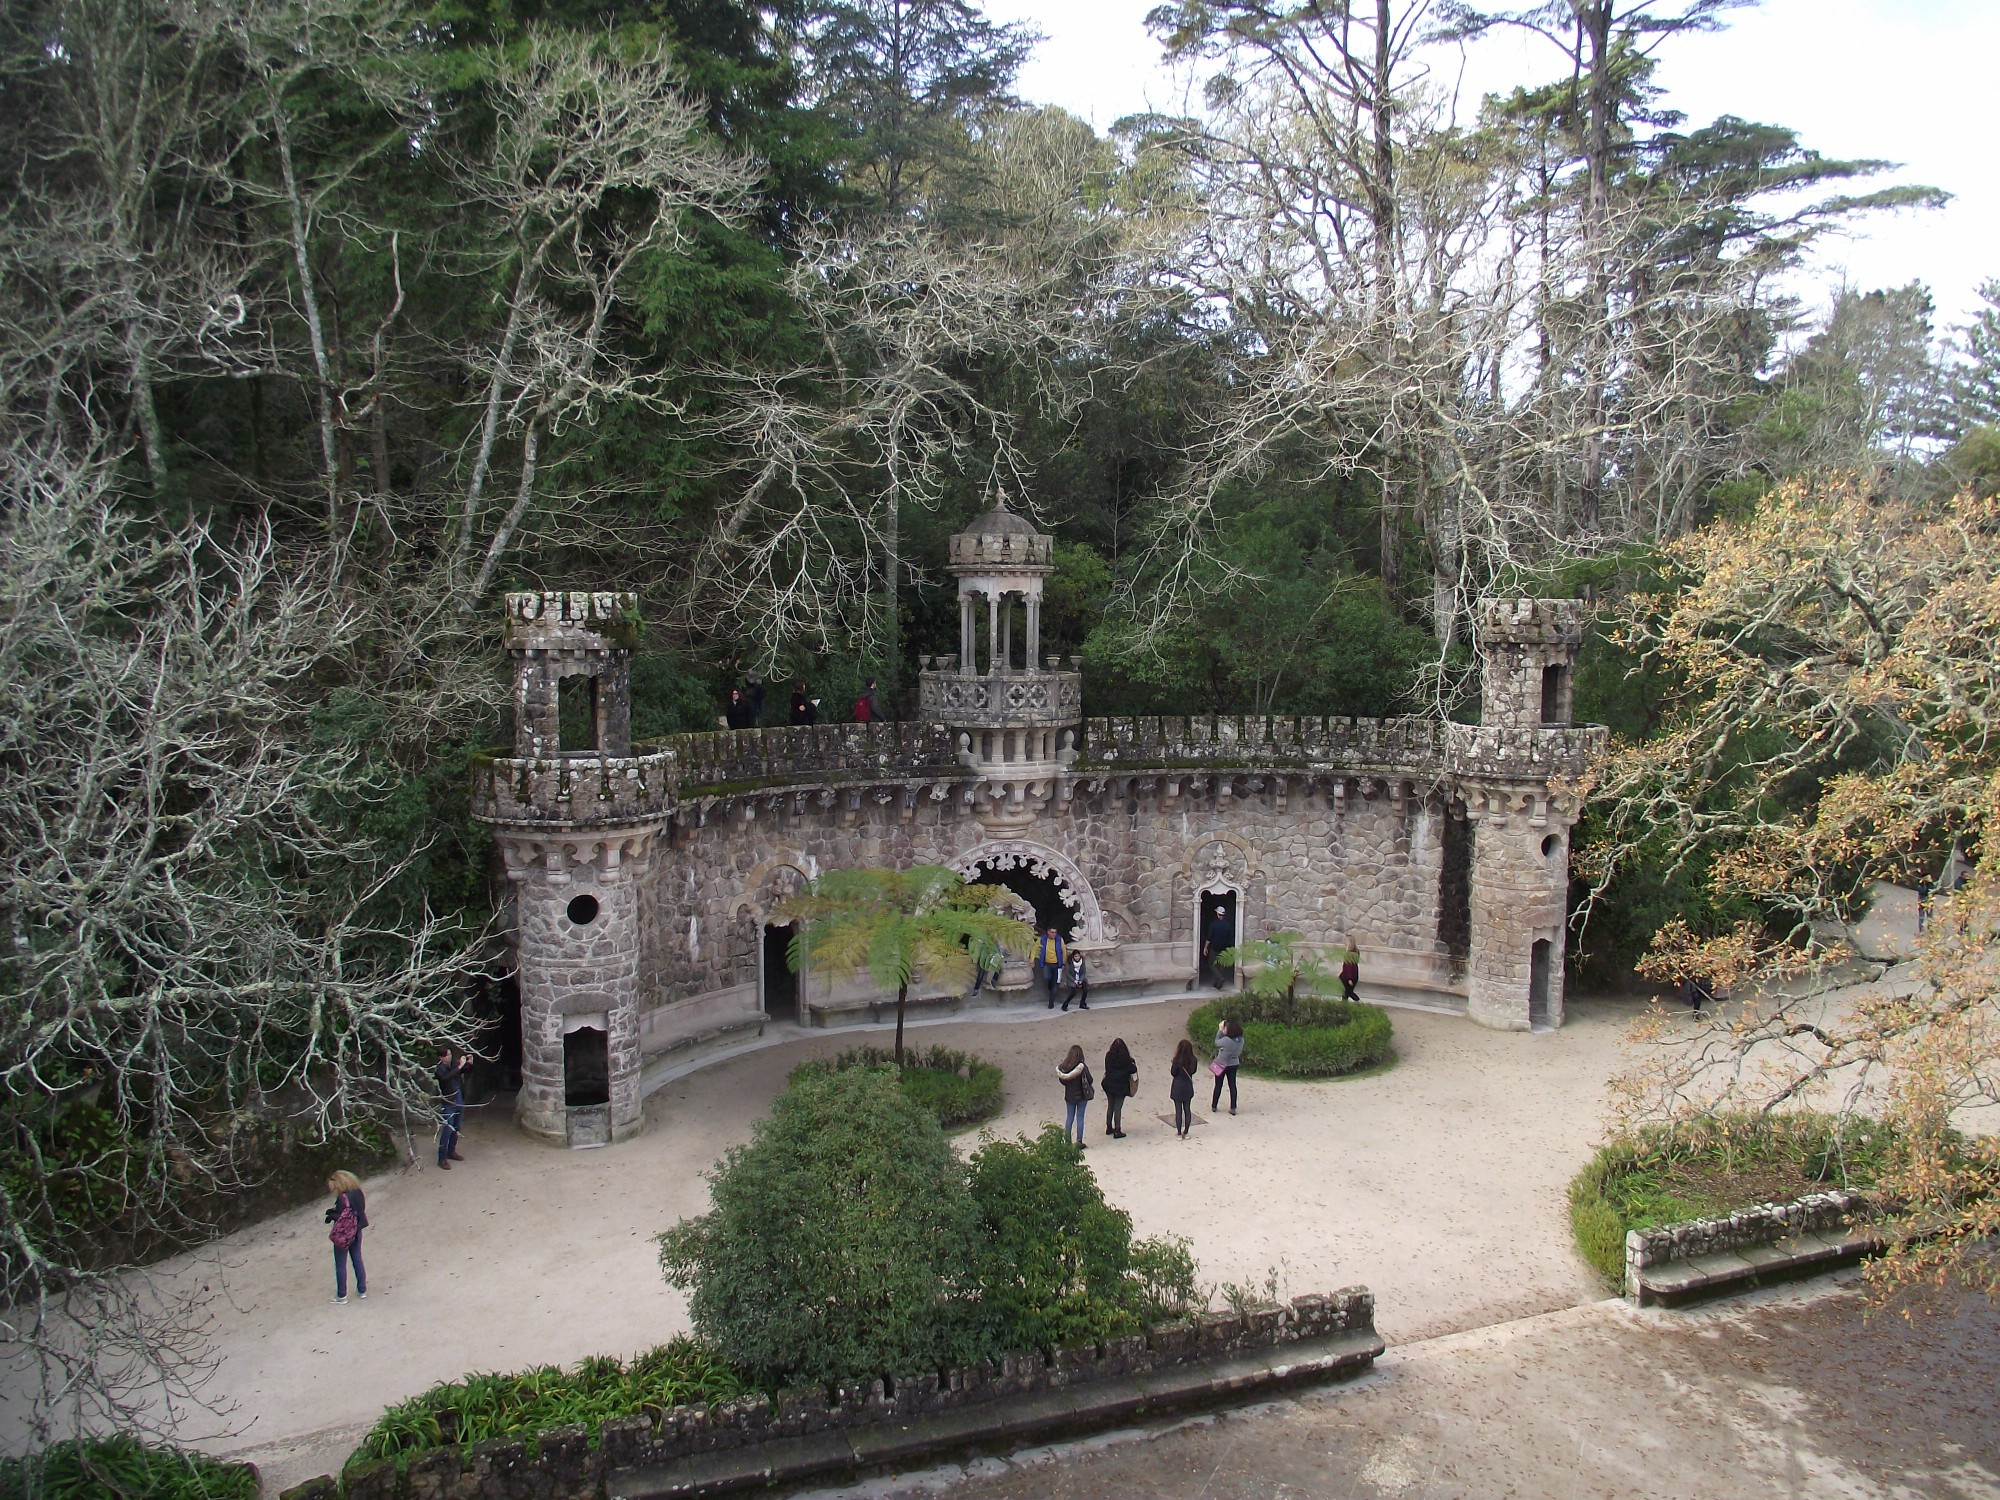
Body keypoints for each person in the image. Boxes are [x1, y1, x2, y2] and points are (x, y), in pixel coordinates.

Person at [324, 1170, 369, 1305]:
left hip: (344, 1233)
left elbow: (342, 1216)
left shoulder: (342, 1197)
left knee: (340, 1263)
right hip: (357, 1229)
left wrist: (331, 1215)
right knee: (357, 1258)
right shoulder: (358, 1193)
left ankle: (341, 1295)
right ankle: (362, 1289)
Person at [434, 1047, 469, 1168]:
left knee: (456, 1128)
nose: (450, 1057)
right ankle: (442, 1158)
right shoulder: (439, 1069)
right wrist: (459, 1067)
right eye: (447, 1055)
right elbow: (445, 1079)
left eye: (450, 1054)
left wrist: (469, 1062)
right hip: (449, 1103)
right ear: (441, 1057)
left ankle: (451, 1151)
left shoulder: (454, 1064)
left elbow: (467, 1070)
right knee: (447, 1129)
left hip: (459, 1100)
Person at [1058, 1044, 1093, 1148]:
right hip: (1082, 1096)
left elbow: (1062, 1081)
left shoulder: (1065, 1067)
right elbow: (1090, 1080)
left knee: (1069, 1118)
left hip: (1070, 1096)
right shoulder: (1082, 1067)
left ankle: (1067, 1141)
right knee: (1080, 1117)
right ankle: (1079, 1141)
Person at [1102, 1038, 1136, 1139]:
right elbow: (1133, 1070)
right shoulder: (1126, 1060)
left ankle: (1109, 1127)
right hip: (1121, 1087)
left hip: (1109, 1085)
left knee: (1110, 1106)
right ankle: (1117, 1130)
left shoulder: (1108, 1057)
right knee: (1118, 1108)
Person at [1211, 1017, 1244, 1114]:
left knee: (1218, 1085)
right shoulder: (1241, 1040)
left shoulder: (1225, 1040)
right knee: (1232, 1085)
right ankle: (1233, 1107)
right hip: (1234, 1063)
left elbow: (1217, 1042)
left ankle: (1214, 1105)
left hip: (1221, 1063)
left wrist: (1220, 1031)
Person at [1169, 1039, 1197, 1139]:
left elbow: (1173, 1073)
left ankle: (1179, 1133)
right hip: (1188, 1086)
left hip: (1177, 1087)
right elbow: (1193, 1072)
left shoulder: (1176, 1061)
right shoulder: (1193, 1060)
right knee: (1187, 1110)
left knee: (1178, 1111)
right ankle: (1187, 1132)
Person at [1203, 909, 1235, 989]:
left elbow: (1209, 937)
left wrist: (1205, 947)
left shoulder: (1214, 924)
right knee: (1221, 964)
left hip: (1215, 947)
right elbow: (1231, 937)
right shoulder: (1228, 924)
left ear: (1217, 914)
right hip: (1224, 946)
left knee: (1211, 963)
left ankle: (1220, 978)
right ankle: (1218, 983)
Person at [1036, 926, 1067, 1008]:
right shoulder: (1042, 939)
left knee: (1055, 984)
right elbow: (1035, 948)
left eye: (1055, 932)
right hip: (1047, 964)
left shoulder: (1059, 939)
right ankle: (1050, 986)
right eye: (1052, 932)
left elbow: (1064, 951)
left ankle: (1051, 1002)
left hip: (1057, 965)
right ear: (1048, 932)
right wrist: (1032, 959)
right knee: (1047, 977)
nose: (1054, 934)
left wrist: (1063, 963)